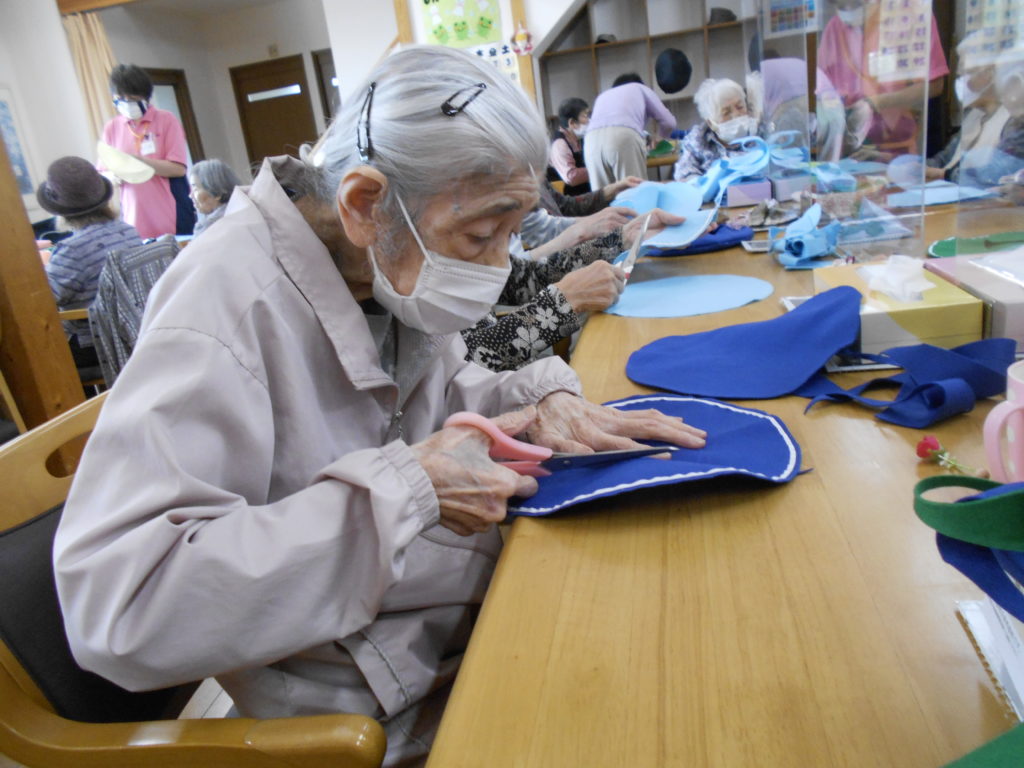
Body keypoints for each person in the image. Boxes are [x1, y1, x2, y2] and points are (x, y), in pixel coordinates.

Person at [53, 46, 706, 768]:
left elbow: (449, 382)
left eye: (510, 234)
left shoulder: (379, 263)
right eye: (482, 236)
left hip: (445, 622)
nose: (498, 270)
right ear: (365, 204)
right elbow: (121, 606)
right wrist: (405, 490)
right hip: (365, 707)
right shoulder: (221, 309)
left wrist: (539, 394)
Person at [35, 156, 142, 369]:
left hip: (94, 344)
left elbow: (45, 300)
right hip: (134, 333)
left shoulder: (73, 249)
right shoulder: (129, 232)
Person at [817, 0, 948, 157]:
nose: (848, 11)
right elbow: (823, 87)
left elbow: (934, 85)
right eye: (841, 6)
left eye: (855, 4)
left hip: (897, 146)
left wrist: (876, 103)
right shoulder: (834, 28)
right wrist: (831, 107)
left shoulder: (913, 15)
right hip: (848, 145)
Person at [100, 64, 188, 239]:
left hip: (171, 209)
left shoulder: (166, 120)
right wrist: (114, 175)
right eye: (120, 98)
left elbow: (178, 169)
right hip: (133, 214)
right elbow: (103, 174)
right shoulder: (112, 127)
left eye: (132, 98)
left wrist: (141, 163)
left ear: (145, 96)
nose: (126, 102)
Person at [926, 36, 1024, 187]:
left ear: (991, 73)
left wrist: (945, 174)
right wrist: (918, 167)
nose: (960, 81)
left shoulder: (1014, 119)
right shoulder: (972, 115)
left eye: (966, 73)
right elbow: (945, 159)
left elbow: (999, 172)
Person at [583, 73, 677, 190]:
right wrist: (659, 137)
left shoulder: (603, 96)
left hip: (590, 142)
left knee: (603, 197)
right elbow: (669, 122)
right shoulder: (640, 88)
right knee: (634, 192)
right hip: (622, 137)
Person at [673, 78, 759, 181]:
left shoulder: (758, 134)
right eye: (726, 113)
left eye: (740, 107)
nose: (736, 114)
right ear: (710, 123)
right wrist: (703, 183)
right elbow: (684, 174)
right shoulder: (698, 140)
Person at [188, 159, 244, 236]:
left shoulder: (211, 228)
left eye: (195, 188)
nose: (190, 195)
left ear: (218, 192)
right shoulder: (242, 212)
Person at [547, 97, 591, 195]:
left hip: (588, 192)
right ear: (572, 123)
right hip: (575, 198)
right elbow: (571, 177)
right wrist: (597, 169)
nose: (589, 120)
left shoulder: (578, 139)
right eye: (585, 116)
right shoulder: (560, 144)